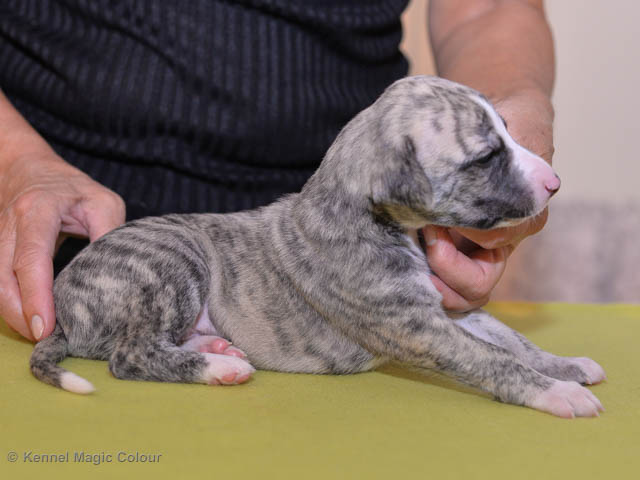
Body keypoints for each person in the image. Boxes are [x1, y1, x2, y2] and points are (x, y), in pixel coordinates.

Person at [0, 0, 555, 342]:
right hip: (70, 228)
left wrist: (506, 124)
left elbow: (487, 8)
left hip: (351, 250)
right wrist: (16, 161)